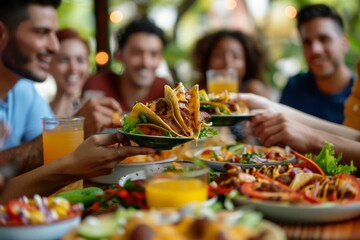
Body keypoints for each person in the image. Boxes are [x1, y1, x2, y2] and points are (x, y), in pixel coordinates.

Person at [0, 1, 155, 201]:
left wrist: (76, 139)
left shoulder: (23, 90)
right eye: (41, 32)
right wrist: (73, 150)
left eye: (54, 34)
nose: (54, 46)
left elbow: (42, 157)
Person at [279, 4, 355, 124]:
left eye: (324, 39)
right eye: (307, 42)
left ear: (344, 43)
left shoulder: (357, 92)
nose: (315, 50)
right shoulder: (295, 86)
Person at [83, 16, 170, 112]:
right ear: (118, 55)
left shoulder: (164, 91)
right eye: (136, 53)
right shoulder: (97, 85)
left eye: (154, 54)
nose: (146, 63)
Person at [192, 29, 270, 97]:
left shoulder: (254, 90)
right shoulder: (199, 90)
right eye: (219, 55)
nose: (227, 62)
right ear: (207, 61)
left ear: (247, 64)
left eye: (236, 56)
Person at [49, 28, 91, 117]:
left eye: (80, 60)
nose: (73, 68)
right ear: (49, 64)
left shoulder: (96, 111)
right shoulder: (38, 111)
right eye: (64, 60)